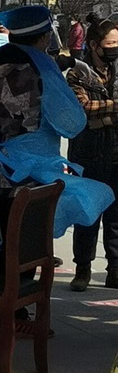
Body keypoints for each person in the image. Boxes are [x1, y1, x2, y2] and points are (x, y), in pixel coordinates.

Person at [0, 4, 113, 253]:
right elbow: (71, 124)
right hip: (35, 173)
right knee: (29, 248)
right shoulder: (42, 69)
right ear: (44, 37)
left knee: (6, 245)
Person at [65, 18, 118, 291]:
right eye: (110, 44)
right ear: (95, 45)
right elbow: (82, 109)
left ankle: (115, 270)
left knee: (116, 217)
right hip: (88, 153)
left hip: (115, 152)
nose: (114, 49)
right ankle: (82, 269)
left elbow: (97, 111)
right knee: (87, 214)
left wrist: (104, 112)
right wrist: (114, 107)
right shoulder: (78, 72)